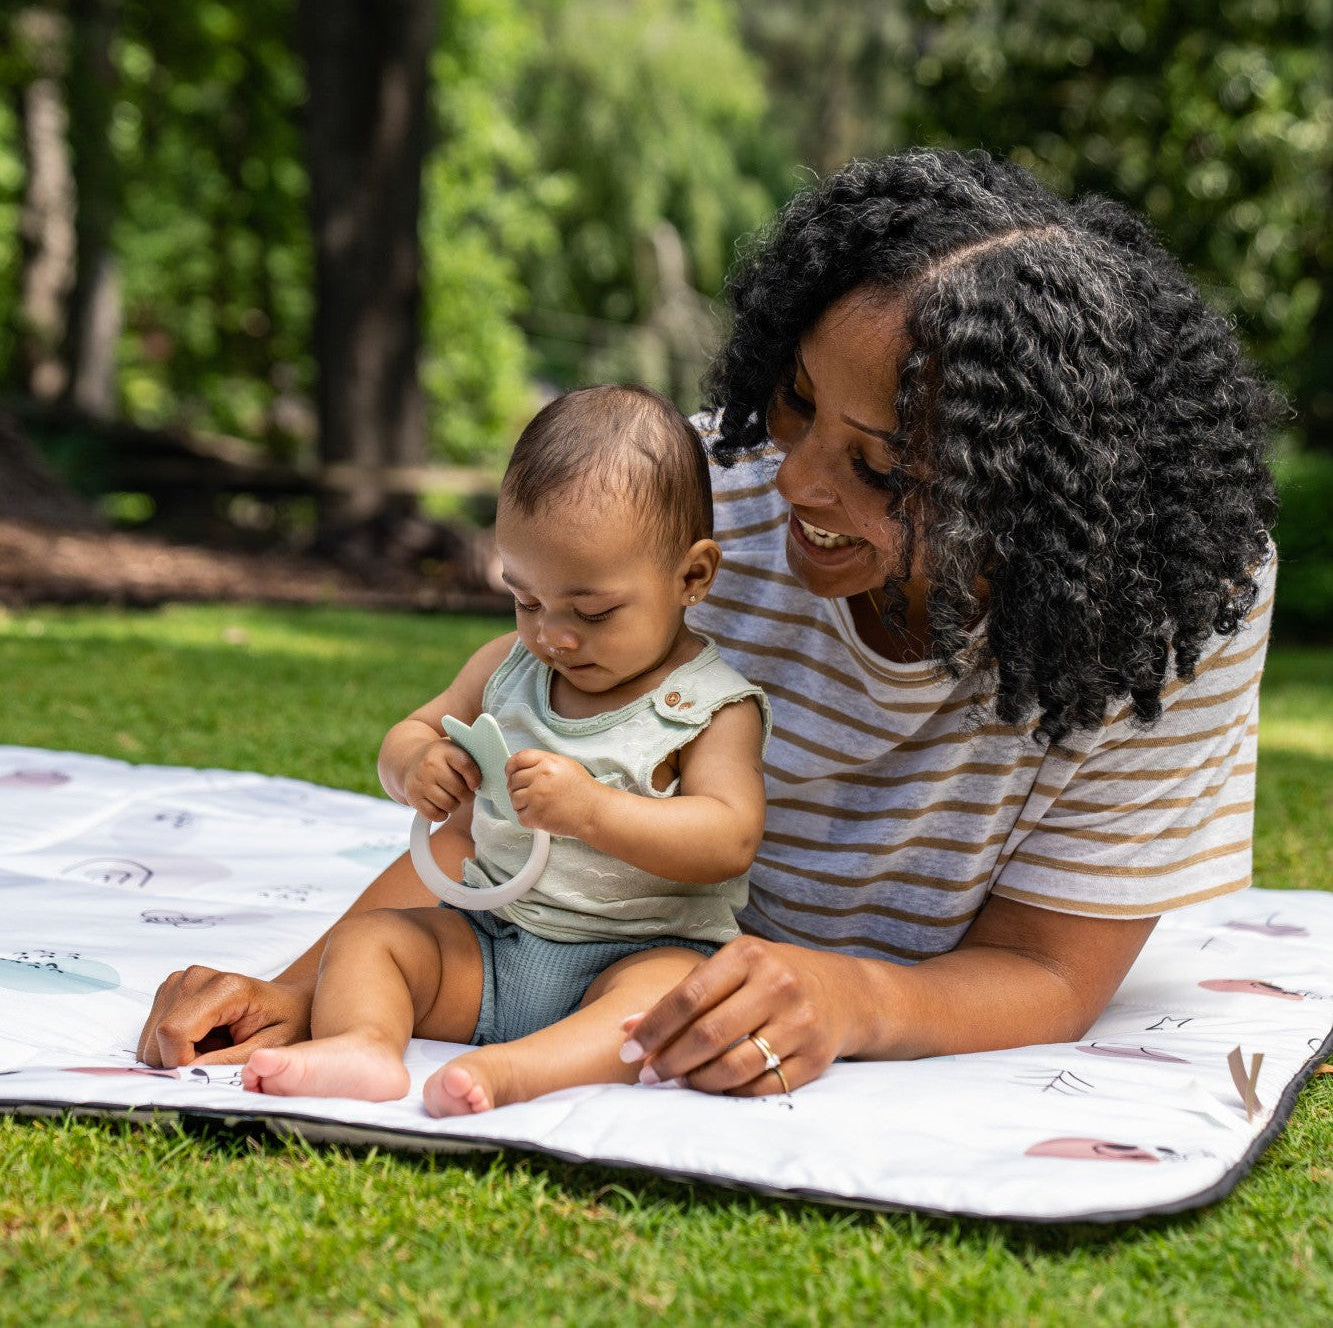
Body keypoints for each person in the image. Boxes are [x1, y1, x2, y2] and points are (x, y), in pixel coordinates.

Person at [140, 149, 1277, 1103]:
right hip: (586, 932)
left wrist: (849, 997)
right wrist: (297, 989)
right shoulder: (684, 513)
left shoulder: (1165, 610)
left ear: (1034, 499)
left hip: (669, 974)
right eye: (795, 400)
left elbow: (1048, 971)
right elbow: (496, 804)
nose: (795, 481)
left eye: (879, 467)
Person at [238, 384, 768, 1113]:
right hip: (492, 940)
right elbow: (410, 732)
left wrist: (591, 810)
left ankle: (517, 1072)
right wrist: (415, 765)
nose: (553, 635)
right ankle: (362, 1045)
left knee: (667, 999)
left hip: (637, 951)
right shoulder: (507, 669)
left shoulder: (710, 707)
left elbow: (729, 837)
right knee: (368, 941)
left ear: (692, 576)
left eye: (592, 610)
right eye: (526, 600)